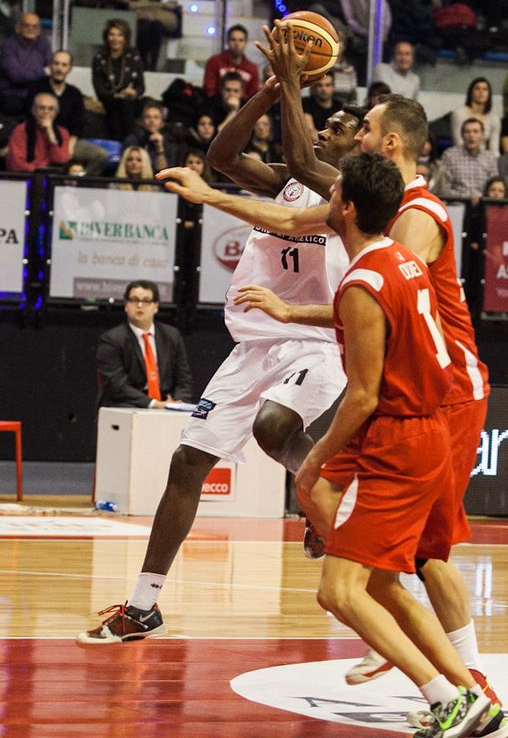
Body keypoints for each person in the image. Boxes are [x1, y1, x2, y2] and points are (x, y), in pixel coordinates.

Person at [251, 29, 502, 727]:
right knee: (373, 551)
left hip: (438, 397)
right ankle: (440, 666)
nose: (353, 133)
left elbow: (376, 326)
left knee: (417, 557)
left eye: (361, 128)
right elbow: (296, 188)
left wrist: (290, 86)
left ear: (387, 148)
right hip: (414, 398)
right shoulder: (385, 231)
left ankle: (460, 682)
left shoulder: (407, 232)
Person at [76, 74, 359, 646]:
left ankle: (324, 502)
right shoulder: (288, 182)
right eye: (324, 125)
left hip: (316, 339)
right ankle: (143, 606)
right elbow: (222, 155)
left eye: (341, 128)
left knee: (273, 426)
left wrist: (292, 92)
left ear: (363, 148)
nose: (325, 129)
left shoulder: (357, 193)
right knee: (186, 463)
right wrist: (269, 91)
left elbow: (302, 156)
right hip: (253, 344)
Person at [295, 151, 494, 738]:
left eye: (333, 196)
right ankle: (471, 694)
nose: (327, 201)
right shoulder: (405, 259)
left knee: (337, 590)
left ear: (348, 208)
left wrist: (315, 457)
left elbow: (360, 396)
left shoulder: (363, 281)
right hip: (423, 425)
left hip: (399, 435)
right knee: (380, 581)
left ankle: (445, 699)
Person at [96, 280, 193, 409]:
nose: (140, 305)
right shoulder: (111, 340)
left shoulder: (172, 336)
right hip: (126, 404)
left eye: (146, 301)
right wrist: (153, 404)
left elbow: (184, 379)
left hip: (166, 403)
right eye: (134, 300)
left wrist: (179, 403)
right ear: (126, 305)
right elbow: (116, 385)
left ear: (156, 306)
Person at [27, 50, 109, 175]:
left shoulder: (74, 93)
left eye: (64, 65)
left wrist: (70, 145)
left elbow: (79, 123)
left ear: (69, 69)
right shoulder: (36, 88)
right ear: (50, 66)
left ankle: (79, 183)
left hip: (67, 141)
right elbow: (29, 116)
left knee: (101, 155)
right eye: (56, 64)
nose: (59, 69)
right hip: (39, 139)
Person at [116, 0, 180, 70]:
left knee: (157, 26)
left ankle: (153, 63)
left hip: (152, 11)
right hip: (135, 10)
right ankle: (142, 60)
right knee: (144, 25)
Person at [92, 18, 145, 141]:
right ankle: (125, 145)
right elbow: (99, 89)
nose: (115, 39)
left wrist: (134, 92)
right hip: (110, 100)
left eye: (120, 35)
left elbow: (141, 87)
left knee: (126, 105)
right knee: (116, 110)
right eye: (112, 34)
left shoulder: (134, 57)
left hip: (131, 102)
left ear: (126, 38)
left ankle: (127, 145)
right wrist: (117, 95)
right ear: (106, 37)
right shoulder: (99, 58)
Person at [0, 12, 52, 116]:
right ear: (18, 28)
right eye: (26, 25)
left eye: (34, 26)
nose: (31, 29)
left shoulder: (44, 43)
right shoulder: (8, 46)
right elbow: (17, 77)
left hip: (36, 95)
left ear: (39, 30)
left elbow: (51, 69)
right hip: (11, 96)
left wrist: (28, 73)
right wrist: (43, 71)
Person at [437, 117, 498, 205]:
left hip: (484, 205)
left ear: (482, 134)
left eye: (475, 131)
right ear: (462, 135)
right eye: (467, 132)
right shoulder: (450, 155)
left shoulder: (490, 157)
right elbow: (444, 187)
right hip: (457, 205)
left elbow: (494, 186)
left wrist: (480, 198)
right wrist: (467, 198)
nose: (471, 135)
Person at [6, 92, 70, 172]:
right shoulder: (21, 130)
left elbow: (60, 160)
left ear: (56, 113)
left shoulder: (62, 132)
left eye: (51, 109)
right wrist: (37, 171)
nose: (46, 112)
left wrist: (50, 133)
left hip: (51, 176)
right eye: (42, 108)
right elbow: (15, 163)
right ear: (33, 110)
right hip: (25, 176)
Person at [202, 23, 260, 101]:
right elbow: (209, 90)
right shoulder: (214, 62)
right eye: (233, 39)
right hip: (216, 107)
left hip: (243, 109)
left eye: (241, 40)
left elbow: (254, 96)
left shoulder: (252, 68)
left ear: (245, 43)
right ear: (227, 42)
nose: (237, 43)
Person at [450, 77, 501, 155]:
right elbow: (458, 143)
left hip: (485, 159)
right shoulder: (459, 113)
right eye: (477, 88)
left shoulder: (494, 118)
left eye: (485, 89)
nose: (481, 92)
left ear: (489, 94)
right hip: (462, 157)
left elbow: (494, 149)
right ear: (471, 93)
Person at [123, 101, 178, 172]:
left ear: (162, 123)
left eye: (156, 117)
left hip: (156, 181)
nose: (151, 120)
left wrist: (159, 147)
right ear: (141, 121)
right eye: (147, 117)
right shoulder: (131, 140)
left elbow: (163, 172)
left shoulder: (168, 143)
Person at [301, 71, 343, 139]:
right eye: (320, 85)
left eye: (327, 85)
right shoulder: (306, 102)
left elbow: (341, 131)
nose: (323, 89)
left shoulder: (339, 105)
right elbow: (310, 131)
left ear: (333, 87)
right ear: (314, 88)